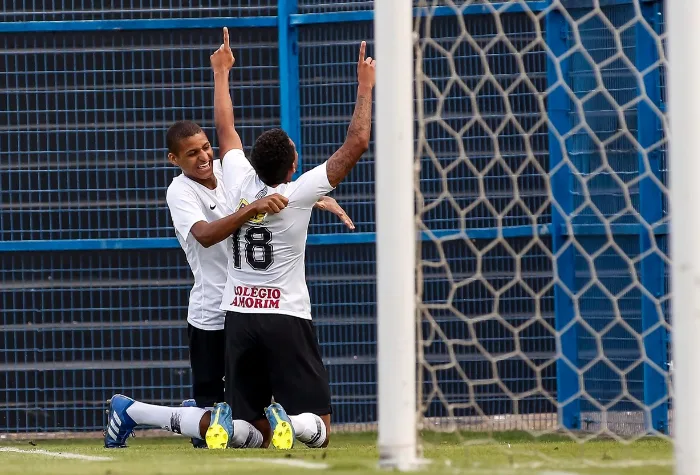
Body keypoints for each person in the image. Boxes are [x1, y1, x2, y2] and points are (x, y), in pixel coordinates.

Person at [103, 29, 356, 450]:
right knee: (220, 429)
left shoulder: (230, 170)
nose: (204, 157)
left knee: (246, 431)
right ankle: (131, 410)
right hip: (212, 315)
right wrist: (252, 211)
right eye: (193, 154)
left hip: (243, 309)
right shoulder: (180, 191)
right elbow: (205, 235)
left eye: (205, 148)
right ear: (175, 160)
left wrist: (311, 202)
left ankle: (179, 411)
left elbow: (269, 183)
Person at [210, 28, 375, 451]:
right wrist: (365, 86)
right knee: (319, 426)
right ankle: (294, 422)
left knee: (256, 433)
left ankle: (229, 428)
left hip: (239, 315)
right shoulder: (297, 192)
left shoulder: (235, 176)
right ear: (291, 169)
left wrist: (221, 73)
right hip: (285, 315)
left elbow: (225, 127)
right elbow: (356, 143)